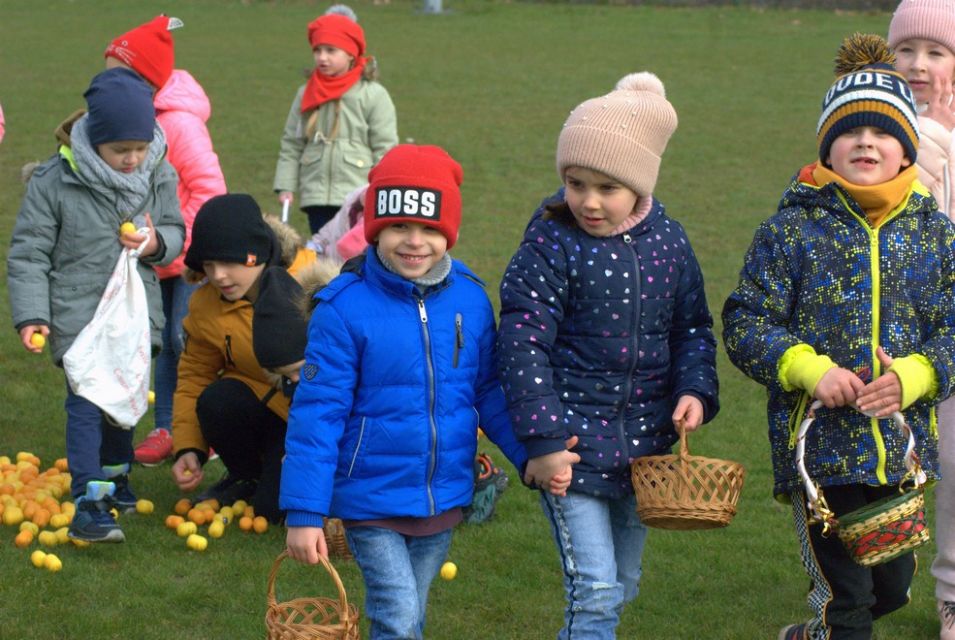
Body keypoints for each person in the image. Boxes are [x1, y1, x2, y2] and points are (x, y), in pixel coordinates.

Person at [281, 144, 569, 640]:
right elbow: (317, 416)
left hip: (444, 496)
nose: (414, 242)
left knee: (409, 615)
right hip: (370, 499)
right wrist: (305, 512)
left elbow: (490, 391)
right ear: (374, 229)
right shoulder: (342, 309)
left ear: (448, 233)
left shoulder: (471, 299)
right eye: (398, 227)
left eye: (430, 229)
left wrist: (531, 456)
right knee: (396, 614)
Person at [722, 36, 955, 640]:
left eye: (881, 133)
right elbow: (746, 321)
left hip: (899, 456)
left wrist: (916, 375)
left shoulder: (935, 235)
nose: (866, 143)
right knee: (844, 600)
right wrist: (808, 369)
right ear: (828, 146)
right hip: (818, 457)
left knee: (892, 589)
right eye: (850, 132)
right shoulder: (790, 229)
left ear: (906, 148)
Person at [497, 72, 720, 640]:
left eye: (607, 187)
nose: (588, 202)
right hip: (570, 454)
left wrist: (694, 391)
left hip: (643, 452)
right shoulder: (550, 242)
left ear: (640, 185)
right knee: (594, 591)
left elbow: (692, 329)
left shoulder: (670, 243)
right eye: (576, 183)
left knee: (623, 582)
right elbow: (523, 344)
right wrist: (544, 445)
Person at [7, 68, 185, 542]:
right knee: (87, 399)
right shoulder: (55, 180)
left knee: (123, 401)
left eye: (139, 149)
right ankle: (88, 500)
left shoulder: (159, 170)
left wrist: (153, 244)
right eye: (119, 150)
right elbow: (29, 252)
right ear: (95, 142)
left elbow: (175, 230)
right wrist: (32, 315)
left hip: (134, 312)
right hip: (78, 313)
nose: (132, 160)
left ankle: (115, 476)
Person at [103, 14, 228, 466]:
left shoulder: (179, 124)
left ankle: (203, 429)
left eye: (119, 72)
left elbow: (209, 189)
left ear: (145, 78)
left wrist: (179, 244)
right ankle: (166, 427)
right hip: (151, 253)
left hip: (189, 254)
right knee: (158, 340)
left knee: (187, 337)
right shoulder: (131, 121)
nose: (109, 80)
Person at [170, 194, 306, 524]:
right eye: (209, 265)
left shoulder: (309, 289)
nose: (218, 276)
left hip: (307, 421)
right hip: (258, 409)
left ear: (256, 254)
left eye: (229, 263)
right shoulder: (206, 305)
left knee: (273, 511)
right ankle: (246, 475)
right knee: (216, 399)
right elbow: (194, 376)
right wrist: (189, 448)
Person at [887, 4, 955, 635]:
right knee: (884, 466)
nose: (919, 64)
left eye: (936, 52)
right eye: (906, 49)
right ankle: (867, 589)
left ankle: (952, 596)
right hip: (892, 335)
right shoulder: (872, 128)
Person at [272, 12, 398, 235]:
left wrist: (379, 193)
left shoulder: (373, 95)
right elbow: (292, 144)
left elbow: (385, 149)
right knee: (323, 257)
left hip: (359, 194)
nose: (322, 57)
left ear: (351, 54)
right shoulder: (305, 94)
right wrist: (285, 185)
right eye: (317, 50)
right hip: (316, 196)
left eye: (331, 50)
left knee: (353, 256)